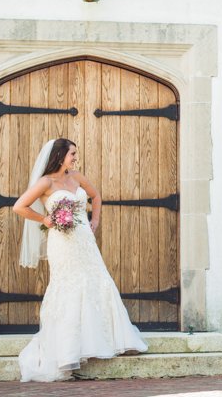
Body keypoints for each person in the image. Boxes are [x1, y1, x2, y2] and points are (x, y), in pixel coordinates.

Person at [13, 138, 147, 382]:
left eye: (75, 154)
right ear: (60, 154)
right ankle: (67, 349)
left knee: (97, 280)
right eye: (72, 153)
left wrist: (94, 220)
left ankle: (107, 339)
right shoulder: (46, 182)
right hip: (62, 244)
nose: (75, 157)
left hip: (85, 240)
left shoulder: (77, 177)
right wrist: (44, 220)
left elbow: (96, 197)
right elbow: (19, 206)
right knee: (69, 287)